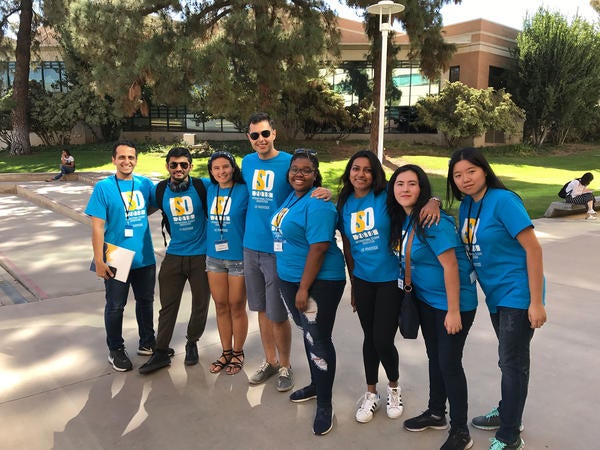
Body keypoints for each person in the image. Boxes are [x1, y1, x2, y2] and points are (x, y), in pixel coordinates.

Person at [446, 147, 547, 450]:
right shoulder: (466, 206)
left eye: (471, 172)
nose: (464, 179)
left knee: (512, 363)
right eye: (458, 175)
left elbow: (533, 249)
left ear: (484, 170)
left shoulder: (504, 201)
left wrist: (537, 301)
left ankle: (510, 433)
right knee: (509, 362)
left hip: (517, 293)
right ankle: (508, 412)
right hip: (495, 295)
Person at [337, 150, 440, 424]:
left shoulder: (385, 196)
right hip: (363, 280)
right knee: (368, 338)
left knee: (382, 338)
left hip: (390, 280)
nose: (361, 174)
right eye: (356, 168)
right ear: (349, 172)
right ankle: (371, 393)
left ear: (376, 174)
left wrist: (434, 200)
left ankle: (394, 387)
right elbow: (347, 245)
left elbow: (413, 199)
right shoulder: (344, 202)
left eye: (367, 169)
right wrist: (354, 284)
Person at [387, 164, 478, 450]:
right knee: (435, 358)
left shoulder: (432, 221)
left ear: (422, 188)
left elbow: (451, 267)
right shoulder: (406, 218)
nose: (405, 189)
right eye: (399, 183)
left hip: (453, 304)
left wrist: (452, 311)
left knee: (449, 363)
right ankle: (437, 412)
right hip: (426, 300)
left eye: (412, 184)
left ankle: (461, 431)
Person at [271, 150, 346, 435]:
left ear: (315, 174)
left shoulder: (318, 203)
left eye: (306, 170)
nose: (298, 174)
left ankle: (325, 403)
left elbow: (319, 248)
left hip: (318, 282)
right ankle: (317, 385)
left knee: (319, 339)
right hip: (290, 278)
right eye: (294, 169)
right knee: (308, 333)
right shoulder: (293, 196)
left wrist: (303, 288)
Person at [85, 140, 156, 372]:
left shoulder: (144, 184)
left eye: (131, 157)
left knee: (146, 302)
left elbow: (153, 205)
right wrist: (99, 260)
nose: (127, 161)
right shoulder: (104, 188)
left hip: (144, 255)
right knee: (116, 305)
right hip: (116, 255)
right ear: (114, 160)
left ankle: (147, 342)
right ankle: (115, 349)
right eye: (122, 157)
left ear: (136, 160)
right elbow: (97, 226)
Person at [139, 147, 211, 375]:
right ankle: (161, 351)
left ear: (190, 166)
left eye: (183, 164)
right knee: (168, 305)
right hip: (174, 255)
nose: (178, 168)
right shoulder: (159, 190)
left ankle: (192, 342)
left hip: (201, 255)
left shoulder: (202, 186)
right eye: (174, 165)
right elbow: (138, 209)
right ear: (167, 166)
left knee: (200, 303)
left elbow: (233, 187)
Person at [205, 151, 249, 375]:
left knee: (237, 306)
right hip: (213, 257)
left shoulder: (245, 189)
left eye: (225, 167)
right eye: (216, 168)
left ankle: (238, 352)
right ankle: (226, 351)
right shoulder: (209, 189)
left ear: (233, 167)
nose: (221, 171)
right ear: (211, 171)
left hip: (238, 258)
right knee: (220, 305)